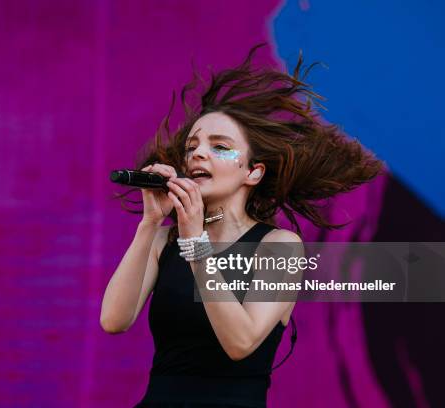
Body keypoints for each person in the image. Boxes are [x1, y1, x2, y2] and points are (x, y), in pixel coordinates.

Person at [100, 44, 383, 407]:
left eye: (220, 146)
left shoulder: (280, 246)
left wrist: (196, 244)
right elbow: (113, 320)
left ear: (253, 172)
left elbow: (241, 343)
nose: (199, 153)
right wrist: (151, 222)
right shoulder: (162, 240)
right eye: (192, 146)